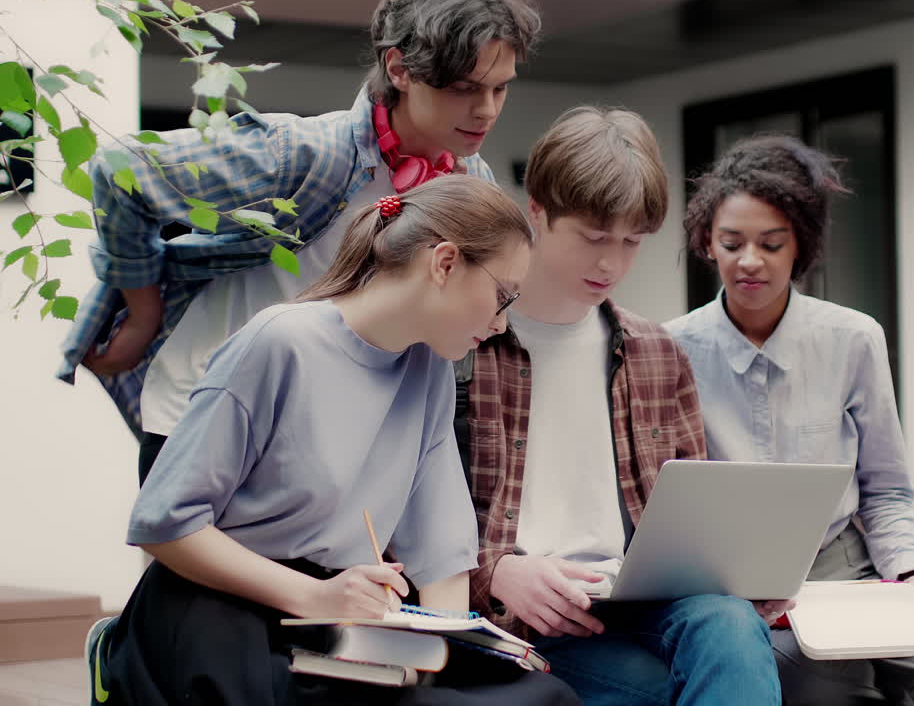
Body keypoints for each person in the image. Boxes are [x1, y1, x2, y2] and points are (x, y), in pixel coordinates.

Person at [85, 177, 580, 706]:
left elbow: (439, 556)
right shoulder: (279, 342)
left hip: (340, 615)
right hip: (221, 605)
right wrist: (314, 595)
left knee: (542, 699)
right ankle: (116, 655)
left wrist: (442, 652)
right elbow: (164, 524)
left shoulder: (431, 369)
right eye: (503, 296)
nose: (503, 324)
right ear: (445, 263)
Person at [55, 0, 540, 485]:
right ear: (399, 69)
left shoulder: (472, 186)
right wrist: (142, 312)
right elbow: (120, 168)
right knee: (190, 561)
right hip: (216, 418)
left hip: (339, 441)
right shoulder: (305, 153)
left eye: (500, 88)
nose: (486, 110)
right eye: (464, 88)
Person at [665, 135, 914, 706]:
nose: (749, 260)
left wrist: (909, 580)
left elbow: (887, 488)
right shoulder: (672, 347)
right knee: (838, 692)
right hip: (741, 593)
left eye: (771, 244)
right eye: (733, 242)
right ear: (708, 242)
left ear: (800, 246)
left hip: (852, 577)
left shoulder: (853, 338)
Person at [455, 106, 784, 705]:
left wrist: (746, 576)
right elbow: (401, 512)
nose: (612, 262)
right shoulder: (464, 342)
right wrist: (494, 572)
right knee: (661, 689)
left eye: (632, 242)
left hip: (638, 595)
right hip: (520, 614)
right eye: (593, 237)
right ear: (537, 210)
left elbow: (694, 516)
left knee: (733, 624)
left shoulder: (656, 350)